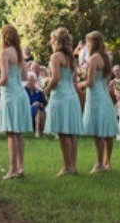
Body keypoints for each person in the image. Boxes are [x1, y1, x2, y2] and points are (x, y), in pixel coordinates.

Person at [45, 28, 83, 176]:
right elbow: (74, 80)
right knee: (71, 133)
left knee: (63, 132)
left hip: (60, 96)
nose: (50, 42)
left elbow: (55, 79)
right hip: (72, 95)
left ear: (56, 41)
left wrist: (46, 89)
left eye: (52, 39)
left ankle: (66, 166)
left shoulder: (56, 57)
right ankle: (73, 166)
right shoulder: (71, 59)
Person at [0, 24, 32, 179]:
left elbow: (3, 79)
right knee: (19, 133)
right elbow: (24, 77)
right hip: (21, 94)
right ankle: (20, 167)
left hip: (10, 95)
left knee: (11, 133)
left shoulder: (4, 53)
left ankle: (12, 169)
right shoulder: (19, 54)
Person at [25, 72, 46, 137]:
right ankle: (40, 131)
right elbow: (23, 104)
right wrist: (33, 105)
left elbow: (44, 103)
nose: (30, 82)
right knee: (39, 110)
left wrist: (39, 103)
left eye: (32, 80)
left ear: (35, 81)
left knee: (40, 111)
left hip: (38, 109)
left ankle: (38, 132)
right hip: (27, 110)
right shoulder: (24, 91)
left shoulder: (39, 91)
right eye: (28, 80)